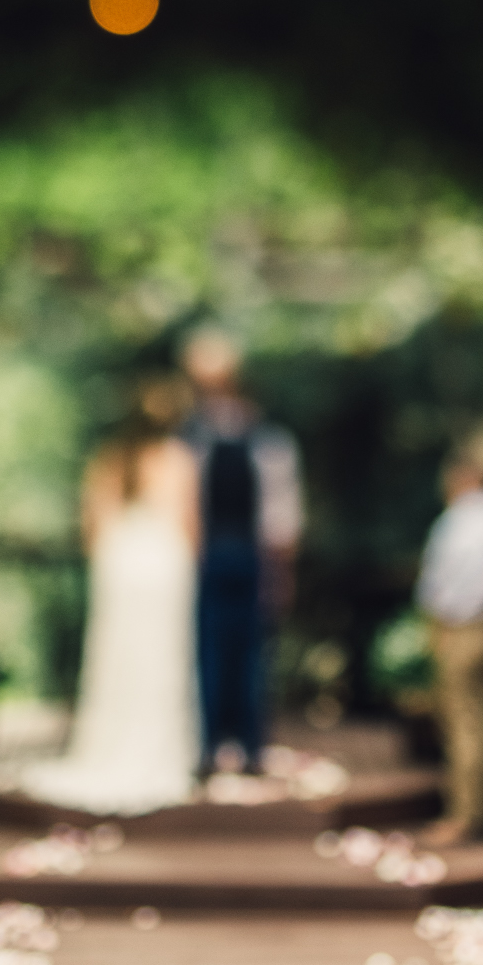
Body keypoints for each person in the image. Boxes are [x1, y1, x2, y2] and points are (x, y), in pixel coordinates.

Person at [25, 382, 200, 814]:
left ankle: (109, 745)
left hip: (121, 563)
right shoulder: (179, 459)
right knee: (161, 659)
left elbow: (93, 526)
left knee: (117, 656)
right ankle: (160, 752)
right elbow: (190, 524)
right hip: (162, 563)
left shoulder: (110, 458)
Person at [180, 327, 303, 777]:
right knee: (209, 653)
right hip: (205, 557)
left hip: (249, 556)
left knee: (251, 655)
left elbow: (282, 514)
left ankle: (248, 746)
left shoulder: (268, 442)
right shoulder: (190, 439)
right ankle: (212, 744)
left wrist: (282, 570)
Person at [416, 425, 483, 846]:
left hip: (463, 627)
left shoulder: (459, 517)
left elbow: (440, 580)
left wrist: (441, 625)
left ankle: (468, 815)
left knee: (464, 724)